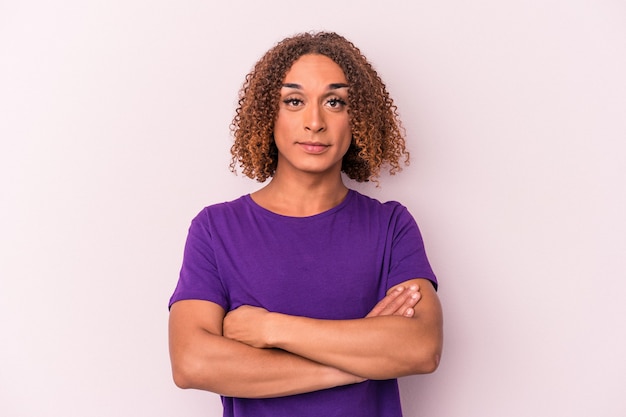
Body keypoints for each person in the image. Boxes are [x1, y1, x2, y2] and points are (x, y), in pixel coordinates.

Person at [168, 31, 443, 417]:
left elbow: (419, 349)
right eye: (294, 101)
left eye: (335, 101)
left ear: (358, 117)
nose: (314, 122)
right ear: (269, 114)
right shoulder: (216, 228)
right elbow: (192, 363)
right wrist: (358, 361)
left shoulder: (390, 225)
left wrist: (270, 329)